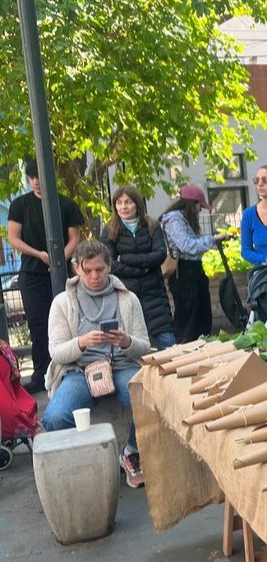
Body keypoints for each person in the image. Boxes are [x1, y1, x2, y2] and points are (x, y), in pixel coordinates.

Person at [41, 240, 150, 488]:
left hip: (121, 365)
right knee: (55, 417)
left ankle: (131, 452)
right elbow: (56, 352)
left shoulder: (128, 298)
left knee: (146, 398)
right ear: (76, 268)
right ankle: (86, 460)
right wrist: (81, 342)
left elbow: (144, 345)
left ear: (109, 267)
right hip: (79, 370)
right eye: (87, 270)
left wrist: (126, 341)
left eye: (100, 270)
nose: (94, 276)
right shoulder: (62, 302)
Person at [6, 160, 84, 394]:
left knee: (69, 320)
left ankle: (72, 368)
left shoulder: (66, 204)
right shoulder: (20, 204)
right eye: (32, 177)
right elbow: (13, 237)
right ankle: (41, 374)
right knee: (38, 325)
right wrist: (39, 255)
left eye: (39, 175)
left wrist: (58, 259)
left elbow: (74, 238)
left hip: (60, 273)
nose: (36, 181)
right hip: (31, 273)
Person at [100, 185, 176, 349]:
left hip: (154, 294)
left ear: (137, 204)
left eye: (128, 202)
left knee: (167, 342)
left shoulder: (152, 225)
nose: (123, 207)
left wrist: (126, 258)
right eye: (119, 203)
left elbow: (159, 255)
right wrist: (143, 269)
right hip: (126, 293)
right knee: (134, 346)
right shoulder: (109, 230)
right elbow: (110, 264)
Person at [160, 185, 227, 342]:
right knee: (188, 320)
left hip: (194, 270)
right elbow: (187, 246)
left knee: (202, 316)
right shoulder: (174, 219)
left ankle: (202, 348)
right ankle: (185, 353)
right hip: (183, 273)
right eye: (199, 205)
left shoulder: (184, 219)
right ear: (191, 204)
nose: (200, 210)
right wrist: (212, 240)